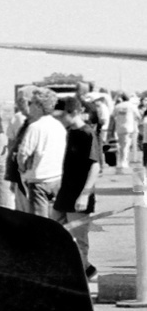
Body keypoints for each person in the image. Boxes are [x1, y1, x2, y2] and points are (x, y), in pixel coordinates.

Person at [55, 95, 101, 275]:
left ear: (74, 113)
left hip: (79, 195)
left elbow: (95, 166)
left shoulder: (87, 134)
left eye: (62, 116)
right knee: (58, 232)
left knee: (78, 238)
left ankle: (81, 273)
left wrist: (85, 194)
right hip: (65, 193)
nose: (59, 120)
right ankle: (85, 269)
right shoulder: (69, 133)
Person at [13, 88, 66, 217]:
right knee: (58, 219)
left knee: (40, 221)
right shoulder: (58, 125)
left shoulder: (35, 127)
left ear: (38, 105)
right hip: (57, 177)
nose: (29, 106)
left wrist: (22, 168)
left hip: (38, 180)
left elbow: (23, 154)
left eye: (31, 103)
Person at [112, 91, 140, 176]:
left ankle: (121, 161)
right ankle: (123, 162)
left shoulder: (118, 106)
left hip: (119, 128)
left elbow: (113, 115)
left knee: (121, 145)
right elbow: (138, 116)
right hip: (129, 128)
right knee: (126, 146)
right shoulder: (131, 106)